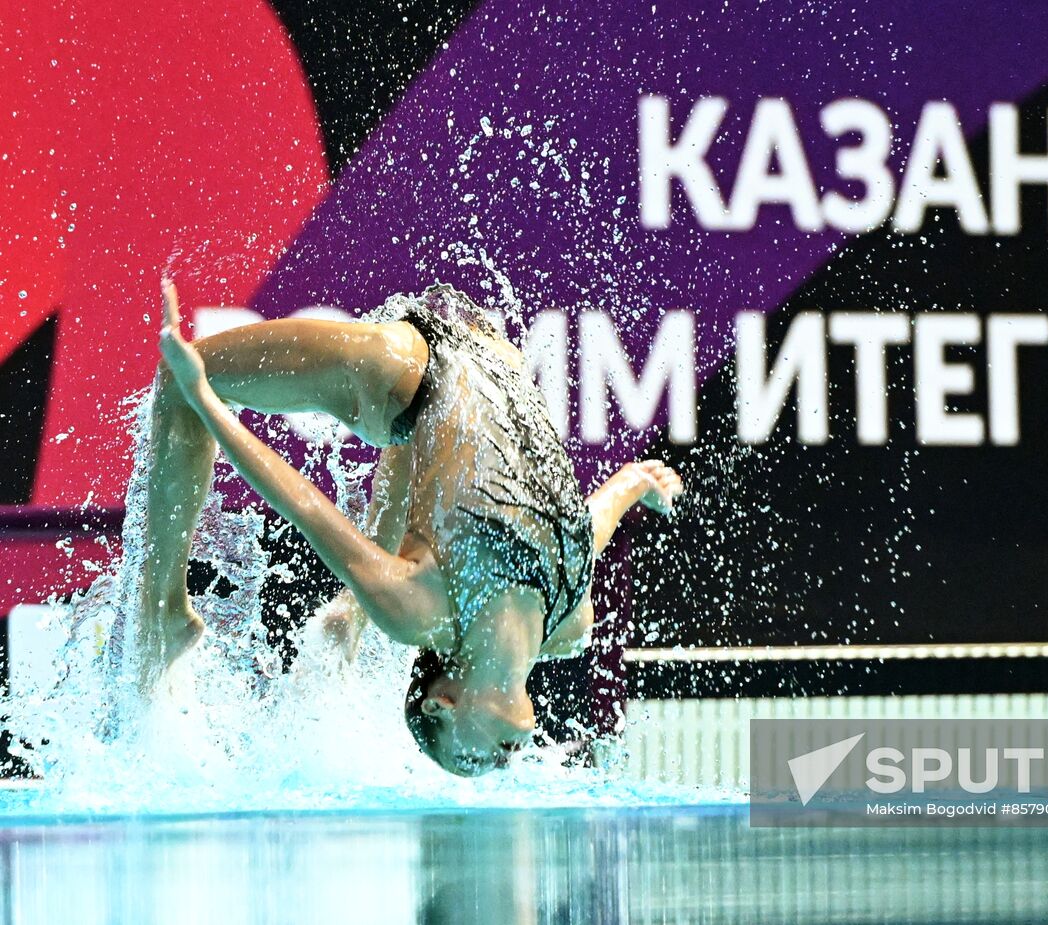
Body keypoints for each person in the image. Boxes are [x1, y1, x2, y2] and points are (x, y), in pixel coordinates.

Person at [144, 279, 682, 776]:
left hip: (406, 373)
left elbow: (304, 506)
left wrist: (205, 399)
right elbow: (582, 529)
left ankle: (166, 610)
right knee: (425, 495)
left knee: (179, 380)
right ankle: (345, 619)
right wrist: (633, 482)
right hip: (491, 356)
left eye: (467, 762)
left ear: (442, 705)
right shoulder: (568, 627)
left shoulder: (420, 611)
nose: (496, 768)